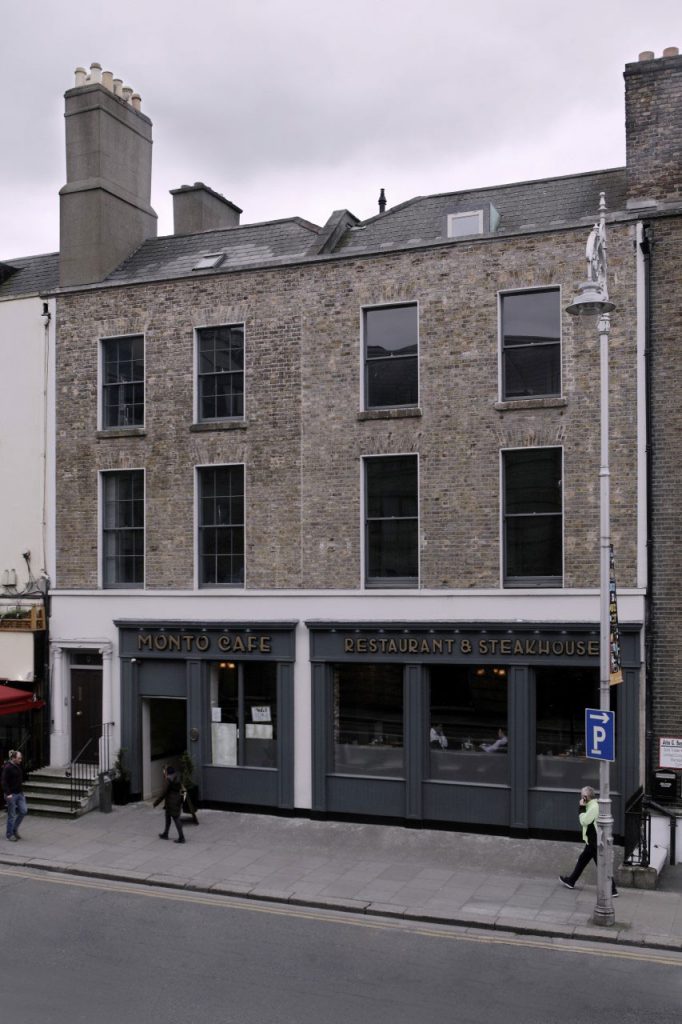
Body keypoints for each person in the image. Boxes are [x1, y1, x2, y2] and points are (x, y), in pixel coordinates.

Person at [559, 785, 618, 896]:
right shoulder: (591, 805)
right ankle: (571, 881)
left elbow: (584, 821)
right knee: (583, 859)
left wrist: (581, 808)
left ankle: (612, 889)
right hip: (592, 839)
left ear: (586, 797)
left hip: (594, 840)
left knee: (601, 864)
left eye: (582, 796)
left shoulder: (593, 807)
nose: (581, 798)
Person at [154, 765, 185, 844]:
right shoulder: (177, 778)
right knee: (168, 817)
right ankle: (165, 833)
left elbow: (164, 793)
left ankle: (181, 837)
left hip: (171, 801)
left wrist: (156, 802)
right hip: (176, 800)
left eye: (166, 771)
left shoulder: (168, 780)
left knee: (175, 818)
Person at [2, 749, 27, 842]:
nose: (21, 760)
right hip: (11, 794)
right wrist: (8, 794)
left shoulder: (18, 766)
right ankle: (10, 834)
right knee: (11, 815)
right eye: (19, 758)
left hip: (20, 793)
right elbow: (4, 781)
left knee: (24, 811)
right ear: (13, 758)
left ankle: (14, 829)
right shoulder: (8, 767)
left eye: (21, 758)